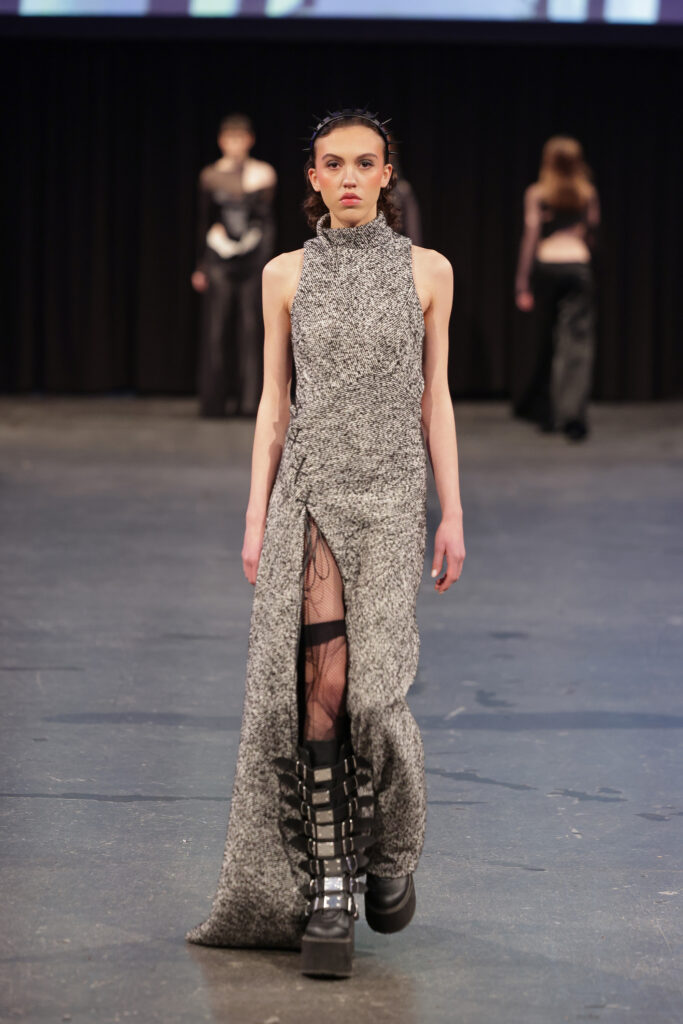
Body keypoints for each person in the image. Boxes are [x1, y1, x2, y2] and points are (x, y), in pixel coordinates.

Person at [185, 107, 465, 978]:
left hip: (390, 492)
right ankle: (331, 887)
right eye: (332, 164)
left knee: (376, 699)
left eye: (363, 163)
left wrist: (453, 511)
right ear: (311, 177)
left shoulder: (428, 271)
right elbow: (274, 402)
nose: (348, 177)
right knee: (320, 689)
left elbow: (434, 397)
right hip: (309, 490)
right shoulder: (284, 274)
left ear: (386, 174)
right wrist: (253, 513)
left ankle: (391, 847)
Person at [514, 135, 600, 441]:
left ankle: (548, 412)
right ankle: (572, 416)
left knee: (549, 338)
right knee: (576, 342)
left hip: (547, 265)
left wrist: (522, 281)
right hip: (576, 265)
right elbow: (592, 229)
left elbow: (531, 235)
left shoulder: (538, 193)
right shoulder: (587, 193)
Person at [192, 113, 277, 417]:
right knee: (216, 329)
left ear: (249, 140)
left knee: (251, 328)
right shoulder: (210, 175)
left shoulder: (263, 173)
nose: (235, 144)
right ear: (221, 141)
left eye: (240, 138)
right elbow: (204, 220)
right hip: (219, 257)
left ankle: (250, 402)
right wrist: (201, 266)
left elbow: (267, 222)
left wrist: (266, 265)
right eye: (230, 138)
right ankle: (214, 403)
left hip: (252, 259)